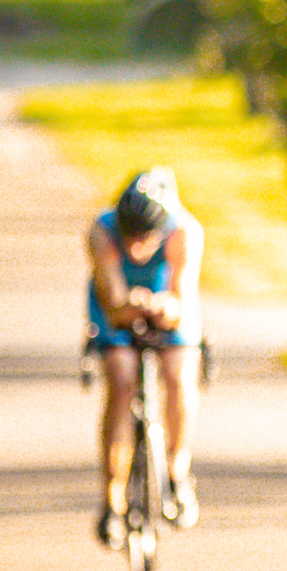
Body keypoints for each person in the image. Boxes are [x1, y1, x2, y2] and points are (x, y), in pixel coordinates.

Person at [86, 167, 204, 546]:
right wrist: (129, 305)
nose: (136, 248)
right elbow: (114, 303)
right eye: (130, 238)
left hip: (164, 298)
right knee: (121, 378)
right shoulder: (101, 231)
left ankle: (177, 472)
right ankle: (112, 500)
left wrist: (163, 307)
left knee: (178, 373)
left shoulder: (184, 231)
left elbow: (181, 300)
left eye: (145, 239)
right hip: (118, 304)